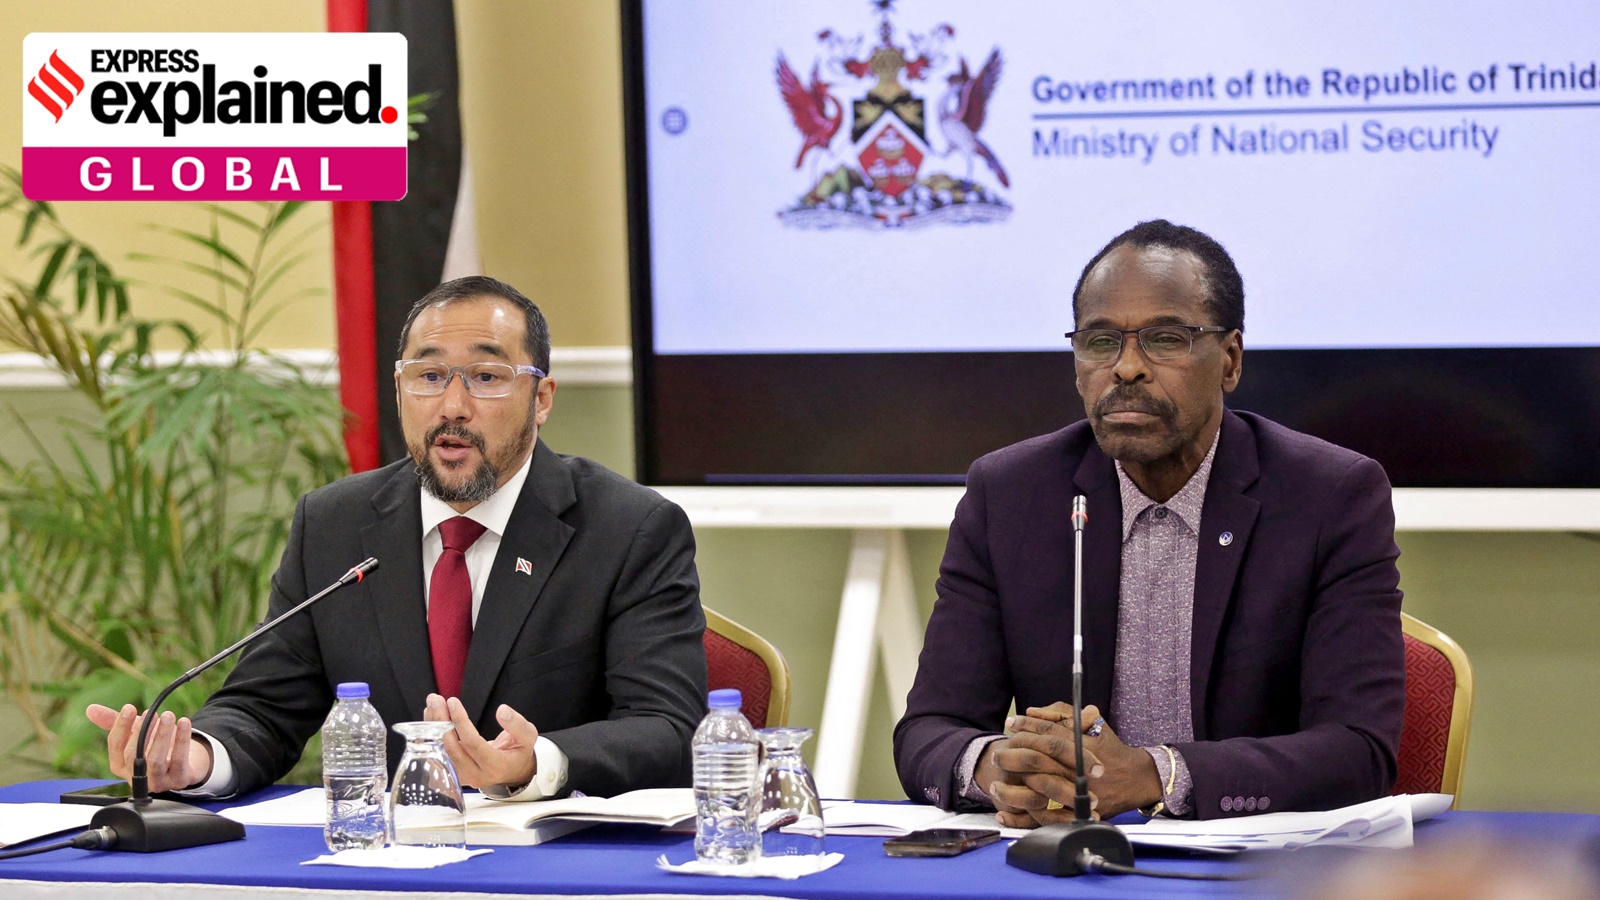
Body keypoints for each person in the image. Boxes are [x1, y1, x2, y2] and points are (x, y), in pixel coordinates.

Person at [86, 276, 708, 800]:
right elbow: (265, 706)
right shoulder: (333, 524)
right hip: (382, 865)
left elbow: (667, 726)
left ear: (540, 397)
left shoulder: (628, 529)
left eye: (486, 377)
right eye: (429, 376)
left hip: (556, 866)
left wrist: (537, 762)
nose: (452, 406)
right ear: (400, 389)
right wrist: (195, 759)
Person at [893, 220, 1405, 823]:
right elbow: (928, 730)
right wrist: (1000, 769)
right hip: (1063, 864)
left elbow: (1358, 750)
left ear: (1231, 360)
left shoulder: (1330, 496)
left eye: (1164, 339)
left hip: (1250, 870)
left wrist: (1157, 776)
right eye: (1101, 341)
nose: (1127, 368)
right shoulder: (1010, 494)